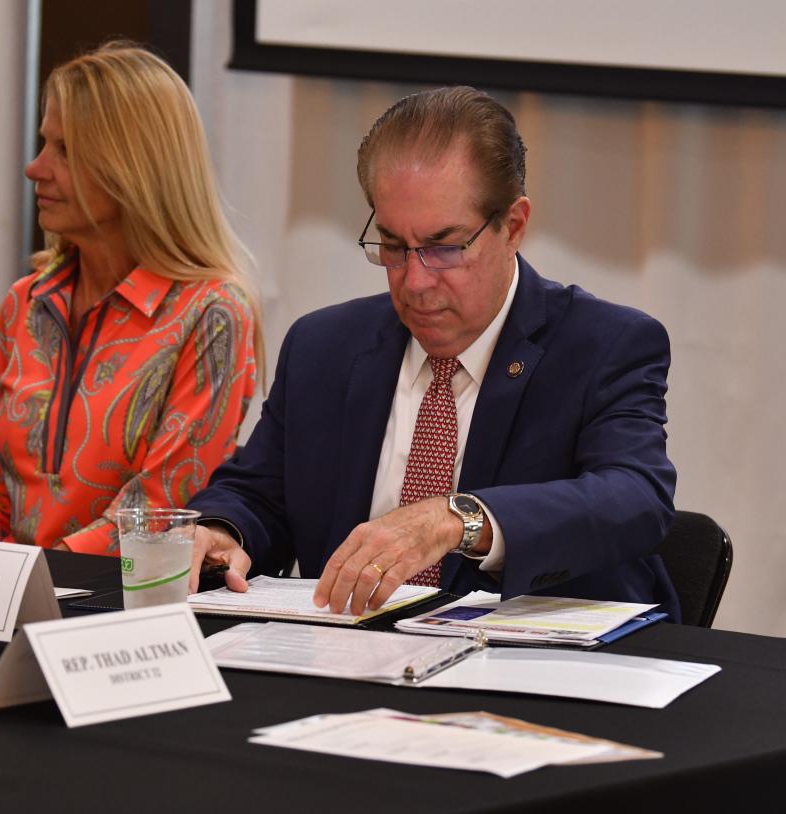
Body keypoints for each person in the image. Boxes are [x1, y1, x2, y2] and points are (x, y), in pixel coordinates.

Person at [187, 86, 681, 621]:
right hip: (345, 661)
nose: (415, 282)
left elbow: (634, 498)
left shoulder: (604, 345)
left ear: (512, 226)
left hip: (537, 673)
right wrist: (220, 531)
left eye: (444, 247)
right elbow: (259, 493)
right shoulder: (324, 346)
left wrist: (458, 518)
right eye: (394, 246)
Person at [0, 42, 262, 555]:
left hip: (119, 610)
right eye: (44, 143)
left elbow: (156, 516)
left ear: (134, 169)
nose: (35, 168)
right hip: (21, 592)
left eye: (66, 151)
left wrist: (23, 581)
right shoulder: (24, 303)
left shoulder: (211, 315)